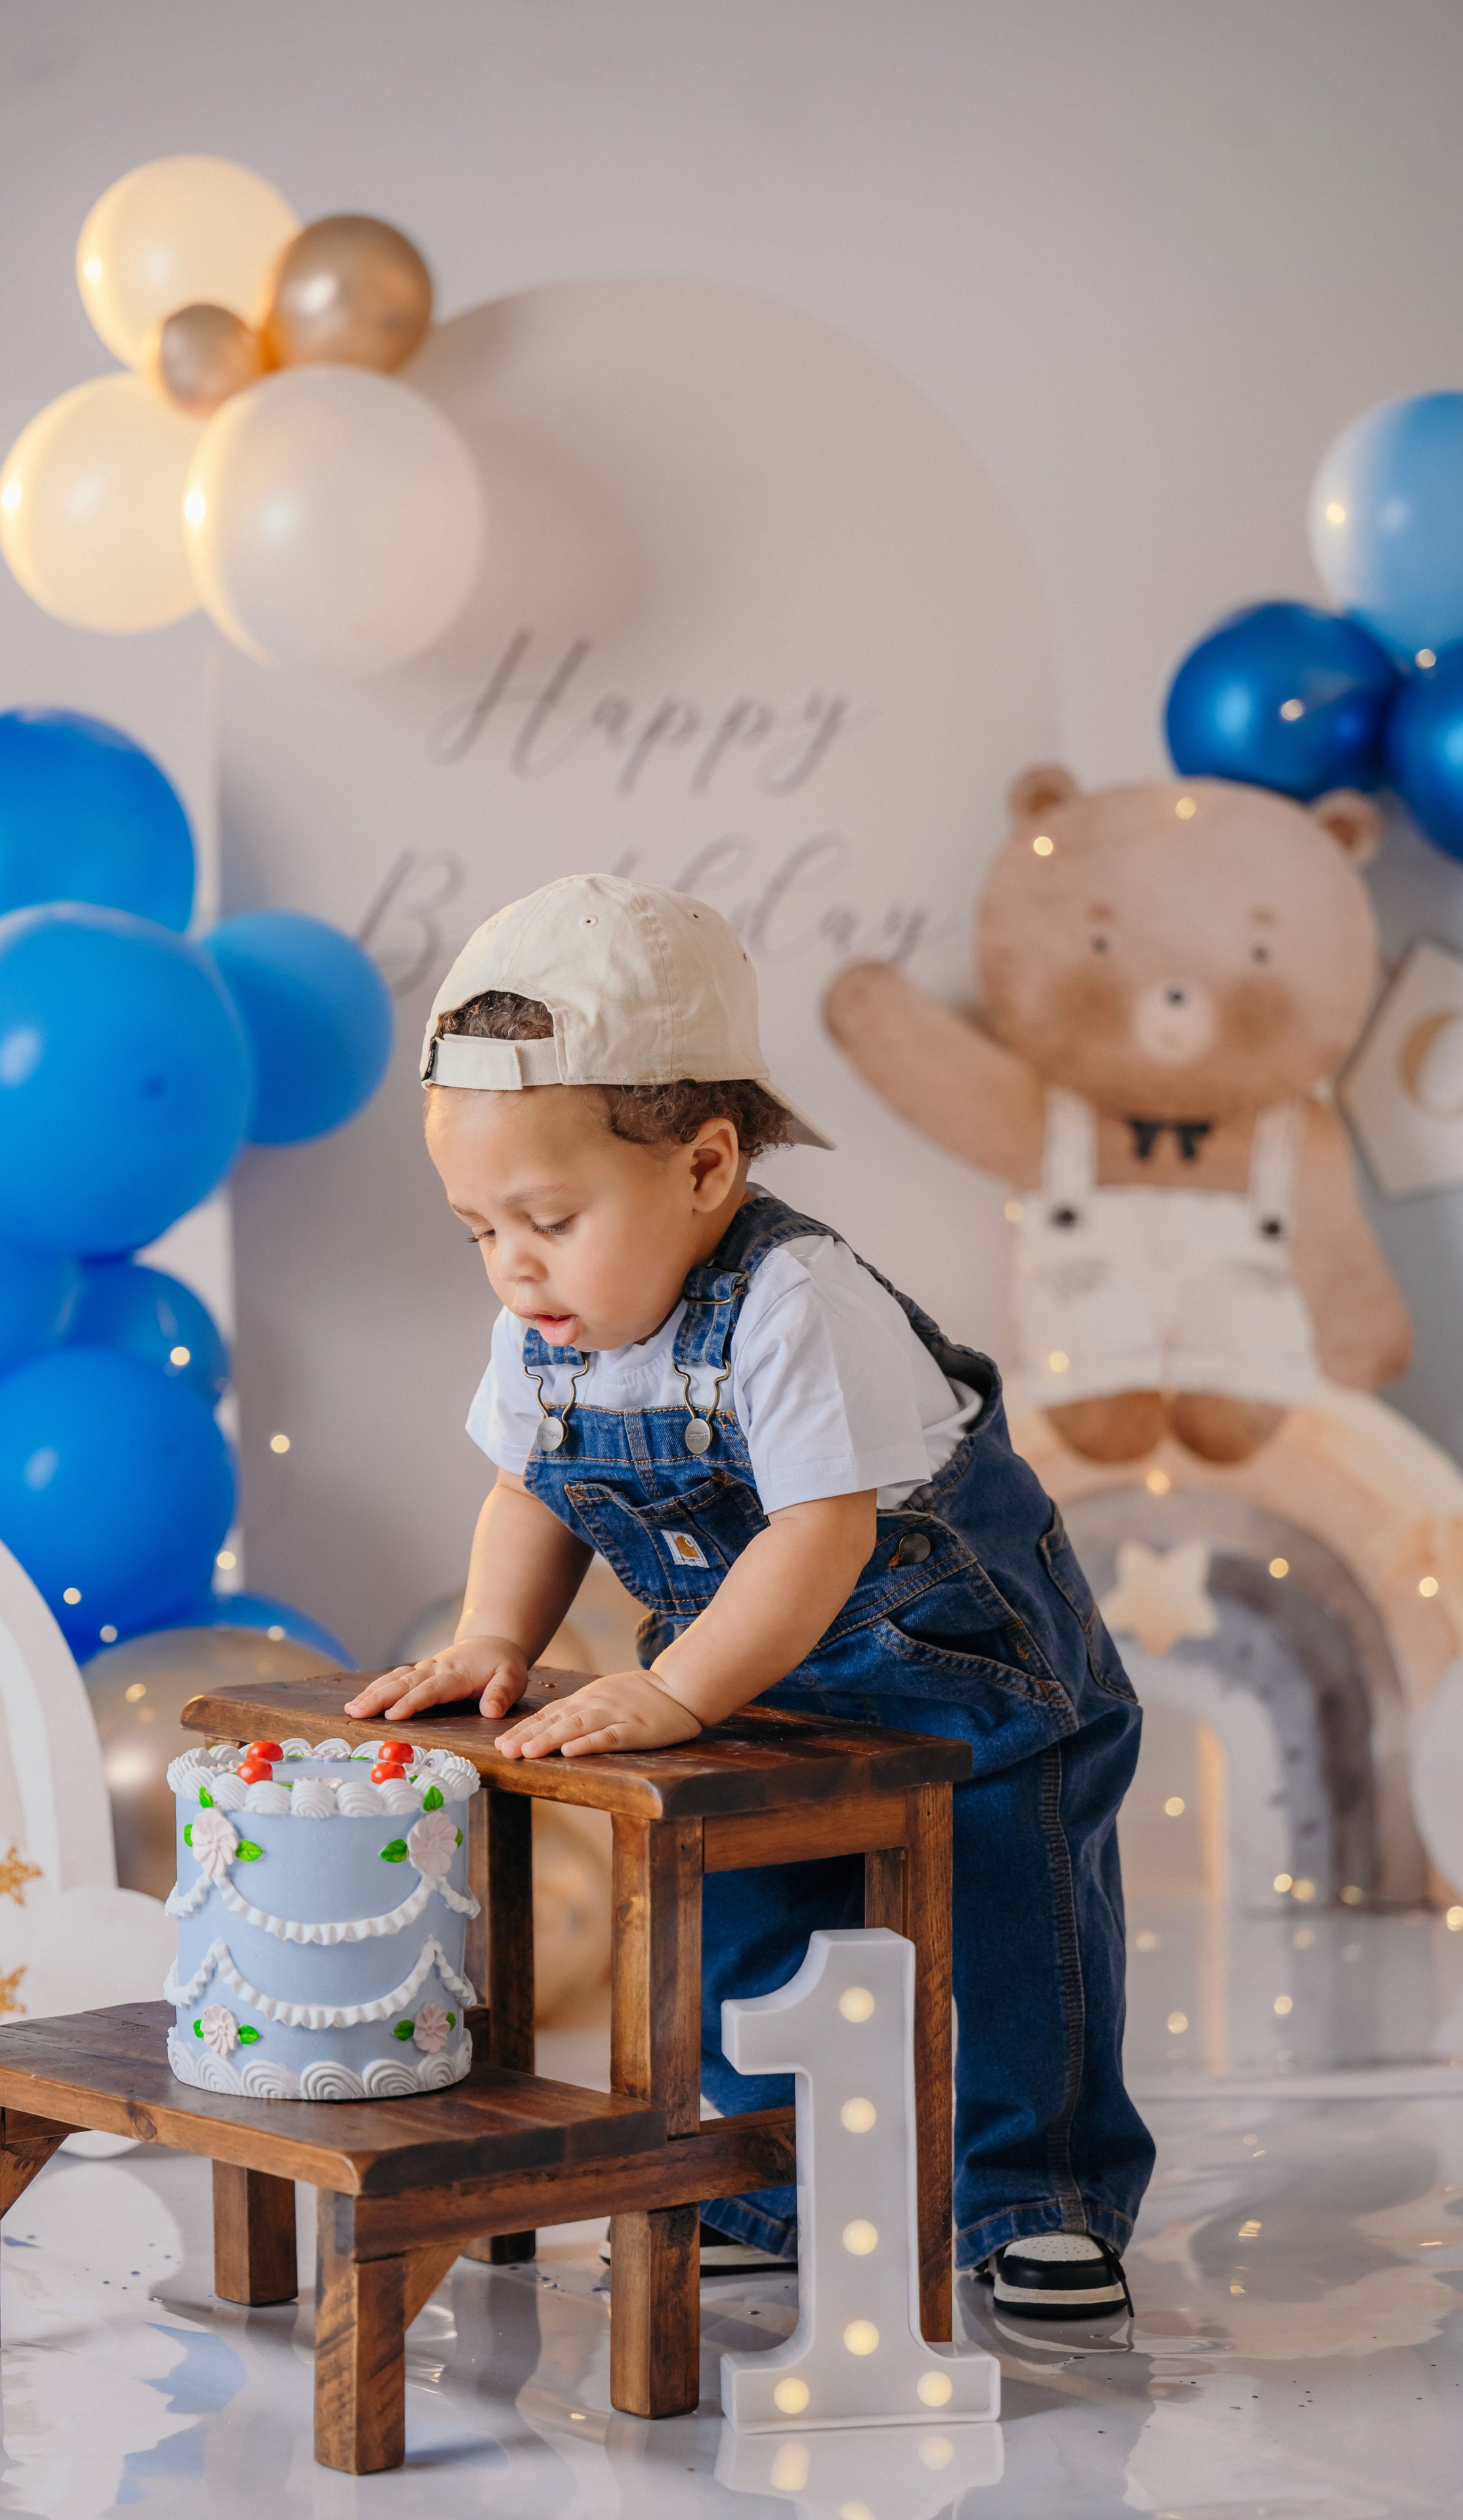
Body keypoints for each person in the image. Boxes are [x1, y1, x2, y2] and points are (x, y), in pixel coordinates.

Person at [345, 872, 1153, 2320]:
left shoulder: (794, 1303)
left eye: (544, 1214)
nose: (511, 1262)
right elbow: (530, 1490)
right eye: (478, 1228)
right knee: (738, 1920)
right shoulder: (547, 1330)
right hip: (761, 1681)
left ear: (705, 1167)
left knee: (1019, 1931)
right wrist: (490, 1639)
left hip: (968, 1678)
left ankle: (1040, 2190)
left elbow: (817, 1542)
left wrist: (666, 1688)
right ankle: (762, 2174)